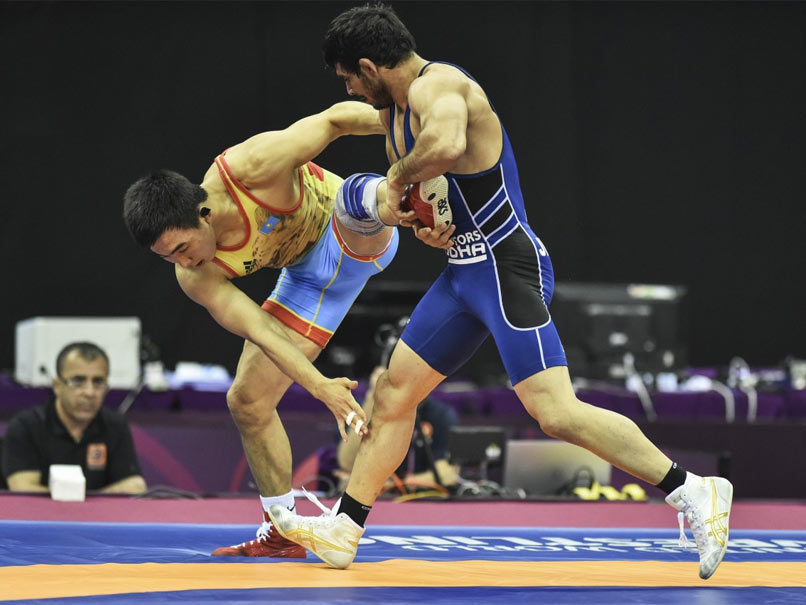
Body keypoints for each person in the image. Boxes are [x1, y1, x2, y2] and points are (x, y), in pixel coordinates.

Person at [268, 3, 733, 580]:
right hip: (463, 272)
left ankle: (695, 489)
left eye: (349, 80)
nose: (352, 91)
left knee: (555, 414)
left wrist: (394, 181)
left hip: (507, 266)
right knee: (392, 393)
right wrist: (424, 223)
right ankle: (345, 530)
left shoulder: (443, 85)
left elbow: (441, 145)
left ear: (368, 65)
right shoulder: (392, 115)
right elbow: (443, 207)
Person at [122, 100, 452, 558]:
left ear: (204, 213)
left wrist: (409, 132)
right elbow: (260, 330)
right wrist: (321, 387)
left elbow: (334, 120)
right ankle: (282, 528)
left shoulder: (252, 168)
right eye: (167, 258)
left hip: (352, 236)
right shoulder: (195, 276)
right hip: (310, 284)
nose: (183, 262)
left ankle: (413, 187)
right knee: (247, 400)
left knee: (355, 196)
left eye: (182, 247)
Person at [2, 342, 147, 495]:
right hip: (42, 517)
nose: (89, 392)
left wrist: (84, 507)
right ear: (57, 386)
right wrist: (84, 503)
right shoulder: (26, 427)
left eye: (98, 382)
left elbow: (135, 485)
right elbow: (23, 488)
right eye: (78, 381)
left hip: (97, 517)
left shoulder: (115, 425)